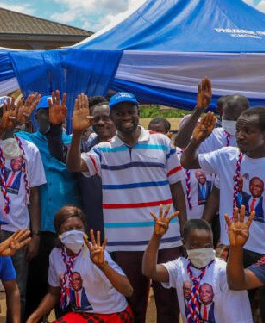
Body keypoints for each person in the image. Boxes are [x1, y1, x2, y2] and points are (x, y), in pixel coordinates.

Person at [181, 107, 265, 322]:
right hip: (235, 251)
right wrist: (196, 141)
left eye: (248, 131)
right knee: (233, 312)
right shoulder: (226, 157)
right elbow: (187, 162)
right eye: (239, 130)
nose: (240, 135)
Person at [67, 92, 186, 322]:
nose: (126, 117)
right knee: (132, 305)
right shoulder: (103, 150)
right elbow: (74, 166)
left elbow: (177, 186)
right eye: (119, 113)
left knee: (169, 303)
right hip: (124, 243)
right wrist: (77, 134)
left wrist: (182, 226)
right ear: (112, 117)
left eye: (130, 112)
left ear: (138, 113)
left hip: (165, 237)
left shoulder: (162, 142)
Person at [0, 95, 46, 319]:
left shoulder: (30, 149)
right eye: (2, 113)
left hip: (19, 229)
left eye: (12, 113)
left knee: (17, 289)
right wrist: (0, 129)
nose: (8, 117)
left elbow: (34, 193)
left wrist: (34, 234)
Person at [17, 91, 81, 319]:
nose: (48, 118)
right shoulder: (26, 140)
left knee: (71, 287)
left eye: (53, 114)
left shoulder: (74, 143)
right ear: (35, 118)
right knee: (37, 288)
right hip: (41, 228)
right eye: (43, 114)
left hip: (71, 229)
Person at [142, 205, 251, 323]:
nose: (202, 249)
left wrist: (236, 248)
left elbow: (239, 315)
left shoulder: (222, 272)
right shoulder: (180, 268)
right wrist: (156, 237)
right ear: (184, 243)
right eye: (196, 245)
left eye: (208, 245)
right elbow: (149, 270)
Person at [27, 206, 134, 323]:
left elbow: (128, 290)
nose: (74, 232)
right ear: (59, 233)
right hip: (82, 315)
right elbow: (53, 294)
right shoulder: (56, 255)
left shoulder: (95, 253)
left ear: (85, 231)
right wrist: (34, 317)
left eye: (79, 228)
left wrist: (103, 266)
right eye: (68, 229)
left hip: (113, 314)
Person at [78, 97, 116, 237]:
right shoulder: (82, 151)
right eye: (96, 119)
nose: (100, 123)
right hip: (94, 228)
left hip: (125, 226)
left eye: (106, 118)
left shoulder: (132, 149)